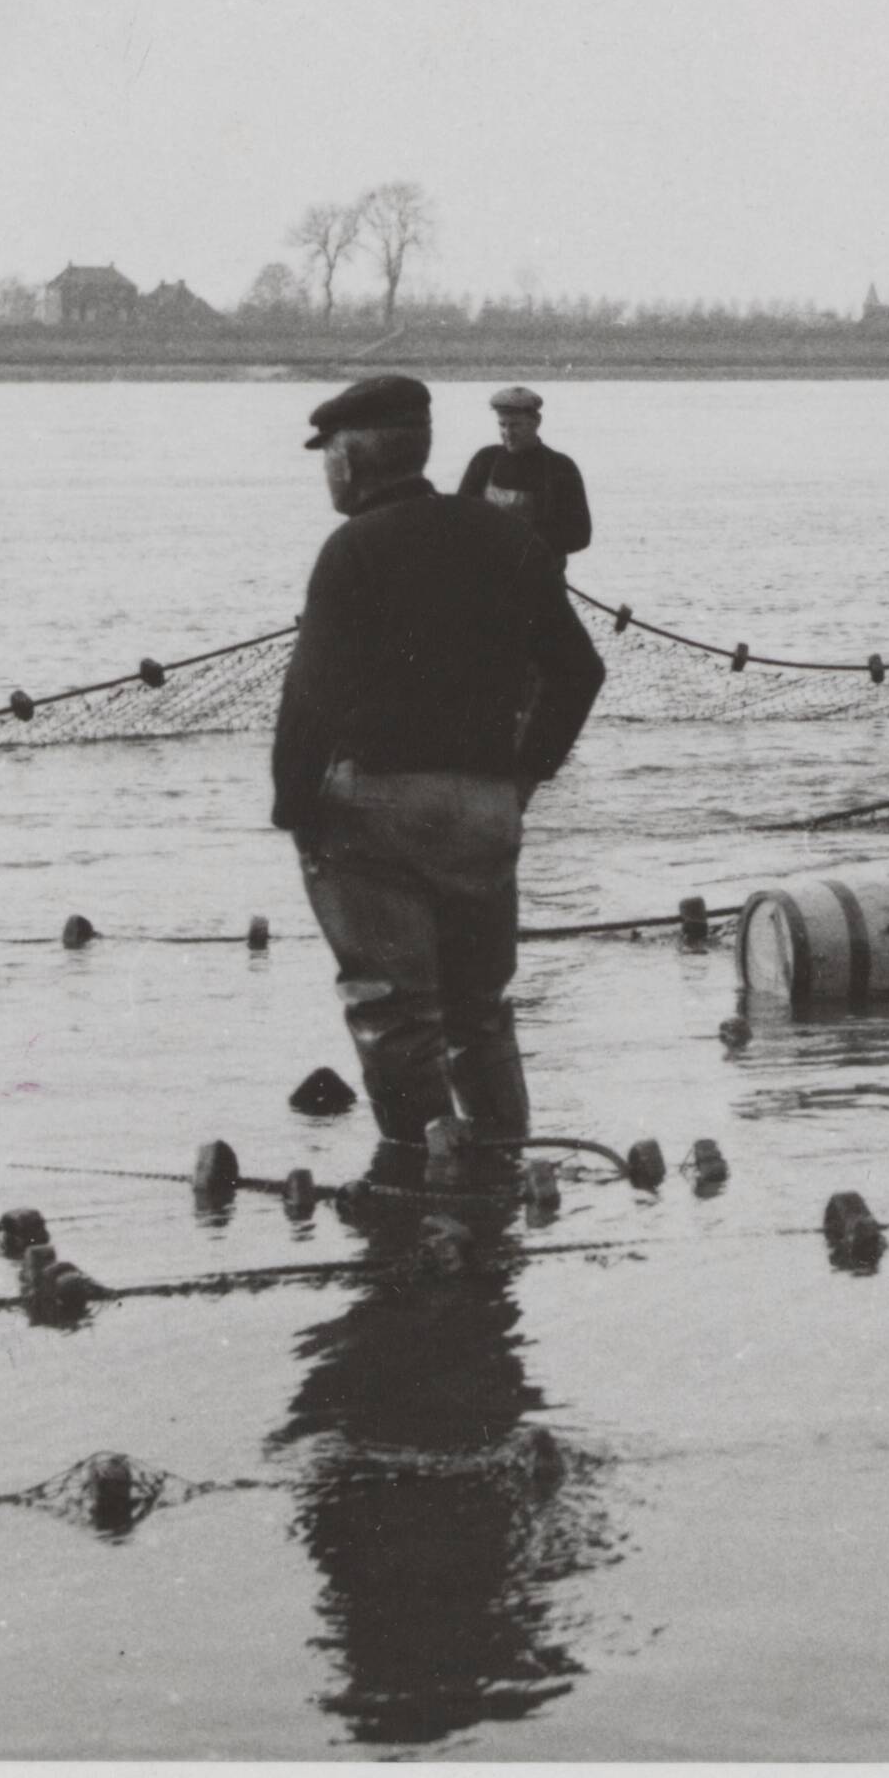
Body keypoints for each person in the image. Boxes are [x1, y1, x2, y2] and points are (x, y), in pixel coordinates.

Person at [274, 375, 606, 1182]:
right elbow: (579, 670)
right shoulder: (504, 538)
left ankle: (416, 1191)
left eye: (328, 455)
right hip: (484, 807)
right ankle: (500, 1179)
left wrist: (295, 810)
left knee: (395, 1016)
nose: (326, 471)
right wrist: (524, 778)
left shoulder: (352, 549)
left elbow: (309, 699)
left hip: (376, 811)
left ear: (352, 462)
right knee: (480, 1013)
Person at [456, 385, 592, 558]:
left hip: (539, 571)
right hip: (487, 570)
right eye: (502, 425)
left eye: (515, 425)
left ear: (536, 422)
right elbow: (460, 518)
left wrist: (522, 543)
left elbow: (580, 535)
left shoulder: (561, 467)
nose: (508, 433)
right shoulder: (485, 460)